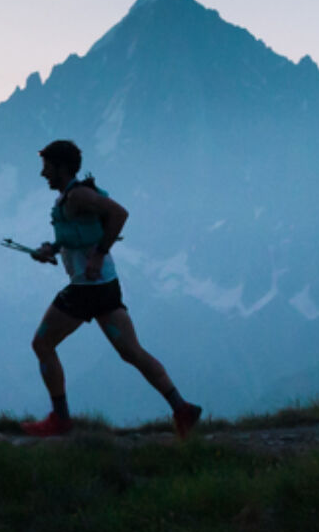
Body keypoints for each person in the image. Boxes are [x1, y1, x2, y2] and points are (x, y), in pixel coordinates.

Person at [20, 139, 202, 439]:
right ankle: (181, 408)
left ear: (62, 168)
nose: (43, 174)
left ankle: (60, 419)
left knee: (42, 344)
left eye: (47, 168)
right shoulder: (71, 197)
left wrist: (98, 254)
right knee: (131, 351)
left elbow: (120, 214)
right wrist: (51, 248)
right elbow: (79, 235)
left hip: (86, 289)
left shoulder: (78, 196)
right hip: (105, 286)